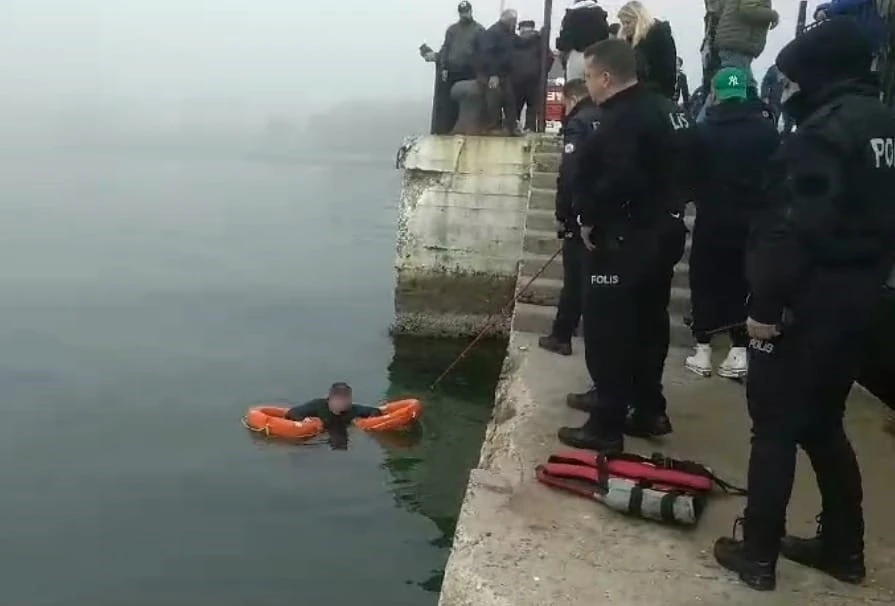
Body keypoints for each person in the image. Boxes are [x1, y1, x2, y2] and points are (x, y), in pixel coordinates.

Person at [713, 18, 895, 591]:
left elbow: (789, 230)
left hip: (804, 305)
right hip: (861, 302)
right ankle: (844, 548)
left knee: (773, 429)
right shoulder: (884, 124)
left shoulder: (819, 136)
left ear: (818, 74)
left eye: (792, 79)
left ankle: (758, 554)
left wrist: (765, 307)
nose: (787, 90)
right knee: (823, 424)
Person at [558, 39, 686, 453]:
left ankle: (606, 423)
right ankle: (649, 409)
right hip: (664, 232)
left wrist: (588, 218)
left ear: (606, 77)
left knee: (607, 331)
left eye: (589, 76)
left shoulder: (621, 119)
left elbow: (615, 179)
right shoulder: (668, 110)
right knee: (648, 324)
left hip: (623, 239)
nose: (588, 85)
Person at [684, 67, 780, 379]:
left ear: (715, 93)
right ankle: (738, 351)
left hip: (712, 219)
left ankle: (703, 349)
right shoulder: (767, 131)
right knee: (744, 282)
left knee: (705, 280)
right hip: (753, 221)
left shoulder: (703, 130)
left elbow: (689, 176)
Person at [538, 78, 602, 357]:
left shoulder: (579, 123)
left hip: (580, 214)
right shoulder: (609, 116)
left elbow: (569, 174)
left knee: (574, 280)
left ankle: (561, 335)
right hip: (607, 212)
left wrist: (562, 214)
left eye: (564, 103)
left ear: (572, 98)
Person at [697, 0, 779, 122]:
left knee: (741, 85)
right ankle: (701, 123)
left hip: (735, 42)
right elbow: (748, 10)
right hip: (737, 44)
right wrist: (772, 15)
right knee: (730, 88)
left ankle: (753, 118)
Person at [422, 1, 486, 134]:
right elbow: (446, 49)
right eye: (462, 12)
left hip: (470, 72)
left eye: (466, 12)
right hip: (452, 71)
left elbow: (483, 52)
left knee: (467, 100)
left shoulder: (479, 30)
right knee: (448, 101)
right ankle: (446, 128)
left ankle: (468, 127)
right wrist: (444, 66)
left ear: (471, 11)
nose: (464, 15)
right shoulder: (452, 30)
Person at [617, 1, 678, 100]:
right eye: (622, 23)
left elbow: (666, 72)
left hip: (655, 95)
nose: (624, 27)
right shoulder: (628, 42)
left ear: (639, 20)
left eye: (628, 22)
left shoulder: (659, 38)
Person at [814, 0, 887, 66]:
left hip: (868, 38)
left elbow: (847, 4)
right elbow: (838, 4)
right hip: (857, 40)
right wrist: (821, 9)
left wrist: (827, 11)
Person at [482, 9, 519, 133]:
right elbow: (488, 55)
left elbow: (519, 42)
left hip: (505, 73)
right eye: (513, 20)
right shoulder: (493, 32)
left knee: (509, 100)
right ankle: (494, 126)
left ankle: (511, 126)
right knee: (494, 98)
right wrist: (493, 74)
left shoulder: (508, 33)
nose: (515, 23)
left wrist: (536, 36)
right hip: (495, 74)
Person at [511, 20, 551, 131]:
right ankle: (530, 128)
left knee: (515, 107)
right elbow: (549, 58)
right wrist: (542, 72)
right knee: (532, 107)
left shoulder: (514, 41)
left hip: (516, 80)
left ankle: (514, 128)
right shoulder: (540, 41)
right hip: (535, 80)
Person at [556, 0, 610, 81]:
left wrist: (562, 56)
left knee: (574, 86)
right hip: (596, 57)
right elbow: (605, 37)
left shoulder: (571, 14)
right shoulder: (600, 15)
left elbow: (564, 42)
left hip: (577, 55)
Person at [285, 382, 382, 426]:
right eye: (339, 399)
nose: (343, 402)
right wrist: (304, 420)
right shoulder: (318, 405)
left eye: (346, 398)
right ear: (330, 399)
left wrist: (368, 422)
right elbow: (292, 412)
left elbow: (375, 411)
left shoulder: (353, 409)